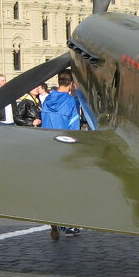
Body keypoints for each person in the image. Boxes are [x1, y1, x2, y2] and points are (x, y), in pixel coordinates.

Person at [40, 70, 83, 237]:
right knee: (68, 187)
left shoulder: (48, 99)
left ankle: (53, 218)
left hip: (48, 146)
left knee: (52, 185)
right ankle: (69, 224)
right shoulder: (71, 102)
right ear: (72, 83)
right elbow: (74, 127)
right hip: (64, 148)